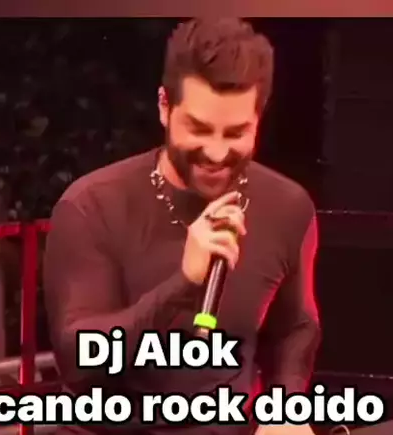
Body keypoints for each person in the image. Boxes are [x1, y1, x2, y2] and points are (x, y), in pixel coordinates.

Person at [43, 18, 320, 435]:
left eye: (236, 132)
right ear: (164, 106)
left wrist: (285, 407)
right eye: (199, 128)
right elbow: (79, 364)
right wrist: (183, 284)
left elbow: (295, 328)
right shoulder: (92, 205)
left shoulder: (287, 206)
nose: (217, 152)